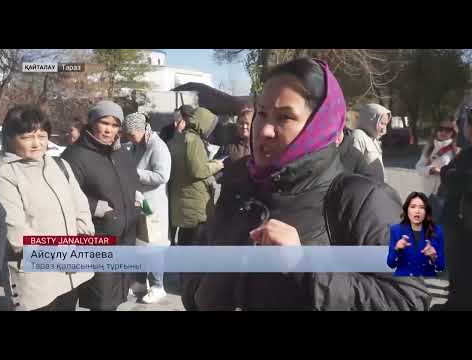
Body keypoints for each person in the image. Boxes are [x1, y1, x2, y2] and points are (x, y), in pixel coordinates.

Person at [181, 58, 429, 311]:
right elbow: (196, 265)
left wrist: (307, 266)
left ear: (319, 126)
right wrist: (203, 289)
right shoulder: (238, 184)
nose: (264, 130)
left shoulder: (366, 199)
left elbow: (410, 299)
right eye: (262, 113)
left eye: (284, 117)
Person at [0, 105, 95, 311]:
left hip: (71, 271)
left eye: (42, 136)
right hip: (37, 275)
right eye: (27, 137)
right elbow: (15, 228)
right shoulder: (5, 173)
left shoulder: (59, 165)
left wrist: (84, 227)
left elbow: (79, 202)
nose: (37, 143)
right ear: (11, 137)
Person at [61, 100, 141, 311]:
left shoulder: (122, 152)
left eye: (115, 125)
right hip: (97, 239)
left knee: (116, 298)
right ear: (92, 122)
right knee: (102, 301)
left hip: (125, 237)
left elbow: (131, 180)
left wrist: (135, 197)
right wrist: (94, 206)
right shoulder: (74, 156)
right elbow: (62, 195)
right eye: (104, 123)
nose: (109, 130)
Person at [123, 112, 171, 304]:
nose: (128, 138)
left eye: (130, 134)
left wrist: (135, 173)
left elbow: (162, 176)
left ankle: (159, 286)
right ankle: (141, 282)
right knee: (141, 245)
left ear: (141, 130)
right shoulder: (136, 146)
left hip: (153, 206)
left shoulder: (158, 146)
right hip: (139, 203)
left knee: (154, 246)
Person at [169, 107, 224, 247]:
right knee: (196, 247)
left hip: (183, 204)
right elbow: (198, 170)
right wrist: (217, 165)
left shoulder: (180, 138)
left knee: (185, 242)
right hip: (195, 207)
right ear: (204, 123)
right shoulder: (194, 140)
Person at [439, 106, 472, 310]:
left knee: (463, 273)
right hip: (459, 224)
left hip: (464, 227)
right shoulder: (466, 151)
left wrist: (451, 175)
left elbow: (451, 176)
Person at [387, 192, 445, 277]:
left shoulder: (437, 231)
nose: (417, 211)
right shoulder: (396, 230)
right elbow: (391, 264)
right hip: (405, 282)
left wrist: (433, 256)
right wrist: (397, 249)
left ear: (426, 211)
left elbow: (441, 267)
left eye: (422, 207)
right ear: (407, 210)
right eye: (413, 207)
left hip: (425, 283)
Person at [415, 116, 459, 196]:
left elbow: (458, 174)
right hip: (428, 194)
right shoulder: (430, 147)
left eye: (448, 130)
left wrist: (442, 172)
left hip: (445, 195)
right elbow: (418, 168)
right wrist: (431, 170)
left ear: (454, 132)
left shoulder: (456, 150)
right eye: (440, 128)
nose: (443, 132)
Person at [352, 103, 391, 180]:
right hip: (364, 190)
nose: (384, 130)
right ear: (370, 119)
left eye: (386, 124)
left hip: (376, 189)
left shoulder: (373, 139)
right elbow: (352, 169)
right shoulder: (358, 136)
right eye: (382, 123)